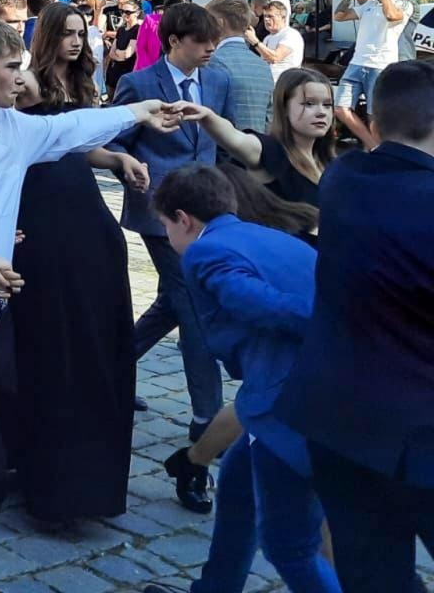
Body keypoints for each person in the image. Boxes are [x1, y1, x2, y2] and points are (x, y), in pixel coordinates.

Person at [0, 15, 182, 561]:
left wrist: (139, 111)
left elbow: (72, 128)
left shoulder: (15, 130)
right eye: (12, 67)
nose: (20, 78)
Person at [276, 60, 434, 593]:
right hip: (420, 428)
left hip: (340, 419)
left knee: (373, 578)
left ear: (376, 120)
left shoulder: (343, 179)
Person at [144, 165, 340, 593]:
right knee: (237, 484)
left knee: (290, 546)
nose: (168, 237)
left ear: (183, 219)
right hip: (306, 395)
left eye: (165, 226)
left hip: (290, 407)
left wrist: (334, 321)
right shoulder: (275, 237)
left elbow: (252, 301)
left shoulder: (204, 251)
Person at [10, 3, 143, 524]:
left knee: (94, 332)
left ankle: (91, 475)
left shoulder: (82, 83)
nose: (75, 41)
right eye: (66, 33)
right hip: (40, 210)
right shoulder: (26, 83)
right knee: (50, 335)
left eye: (80, 33)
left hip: (83, 209)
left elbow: (79, 145)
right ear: (46, 36)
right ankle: (41, 471)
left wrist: (117, 157)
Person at [111, 1, 233, 501]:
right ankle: (207, 419)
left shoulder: (218, 80)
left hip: (205, 210)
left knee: (172, 302)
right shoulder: (139, 83)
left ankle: (110, 366)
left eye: (213, 41)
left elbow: (221, 141)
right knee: (195, 306)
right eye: (201, 41)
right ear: (175, 41)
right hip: (159, 212)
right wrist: (128, 164)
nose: (210, 49)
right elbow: (115, 141)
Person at [178, 68, 336, 208]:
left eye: (327, 105)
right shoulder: (271, 151)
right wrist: (208, 117)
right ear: (284, 107)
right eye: (309, 104)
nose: (321, 112)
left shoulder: (332, 162)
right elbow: (236, 139)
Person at [332, 0, 414, 145]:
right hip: (356, 63)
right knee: (340, 108)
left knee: (374, 115)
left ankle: (374, 148)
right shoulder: (370, 4)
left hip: (380, 65)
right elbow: (339, 16)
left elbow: (391, 16)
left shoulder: (405, 5)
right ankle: (373, 145)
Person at [204, 0, 274, 132]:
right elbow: (269, 118)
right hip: (258, 142)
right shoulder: (263, 66)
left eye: (207, 22)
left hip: (223, 142)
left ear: (219, 23)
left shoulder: (212, 62)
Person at [251, 0, 304, 83]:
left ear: (283, 18)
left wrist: (254, 41)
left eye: (270, 16)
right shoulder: (267, 38)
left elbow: (275, 58)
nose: (266, 19)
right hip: (268, 83)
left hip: (285, 85)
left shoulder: (291, 34)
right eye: (265, 16)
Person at [104, 1, 142, 96]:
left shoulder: (138, 29)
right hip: (113, 73)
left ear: (137, 13)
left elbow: (127, 54)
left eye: (128, 12)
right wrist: (118, 54)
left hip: (127, 73)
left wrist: (117, 52)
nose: (124, 14)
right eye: (122, 11)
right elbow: (111, 53)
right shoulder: (121, 30)